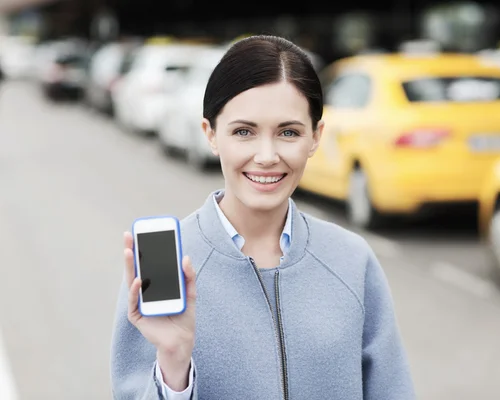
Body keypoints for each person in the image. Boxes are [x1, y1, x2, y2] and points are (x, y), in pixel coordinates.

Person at [110, 34, 415, 400]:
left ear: (315, 137)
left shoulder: (351, 260)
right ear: (211, 135)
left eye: (288, 132)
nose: (267, 155)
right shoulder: (167, 267)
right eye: (244, 132)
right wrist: (174, 368)